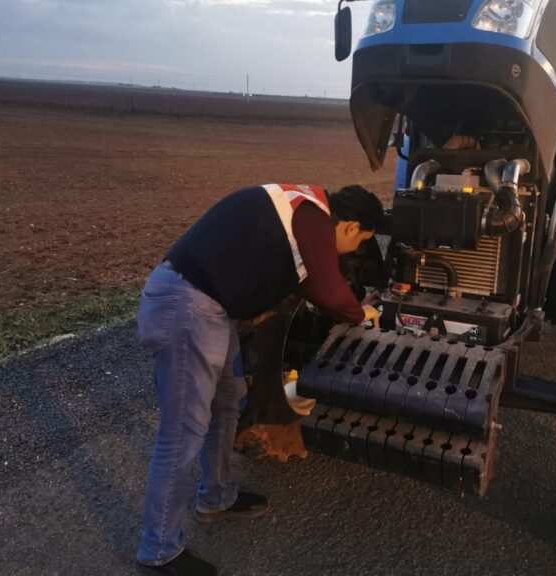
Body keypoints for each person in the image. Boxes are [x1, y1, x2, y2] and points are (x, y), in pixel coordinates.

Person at [135, 183, 383, 576]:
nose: (350, 252)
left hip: (208, 308)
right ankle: (158, 551)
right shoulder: (312, 216)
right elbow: (327, 288)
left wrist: (350, 305)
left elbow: (311, 284)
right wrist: (360, 314)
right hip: (187, 307)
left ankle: (216, 497)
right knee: (183, 431)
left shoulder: (302, 211)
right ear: (351, 226)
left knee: (227, 404)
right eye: (359, 243)